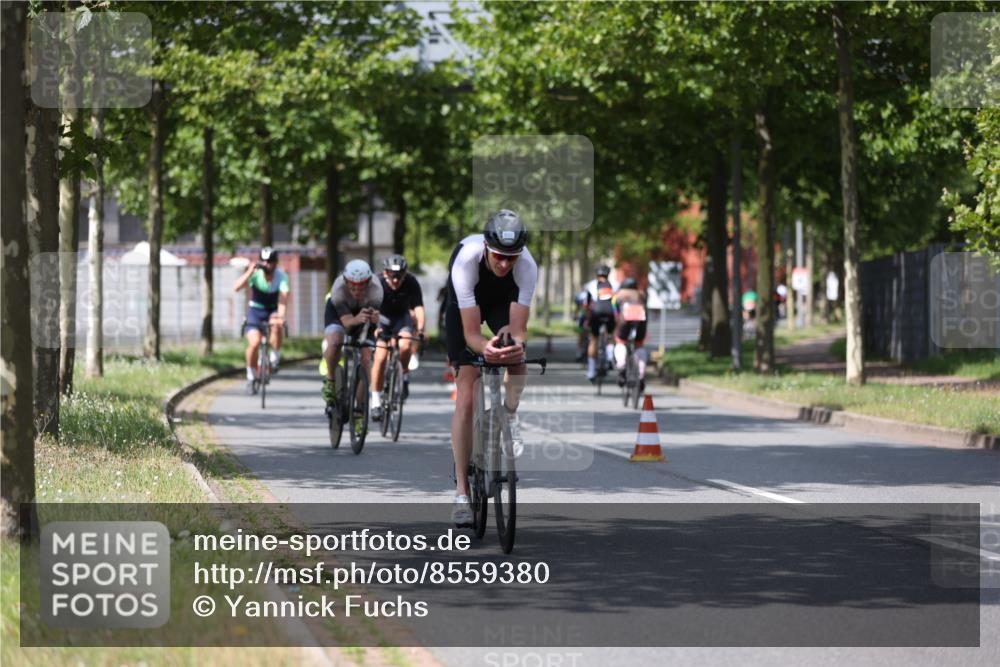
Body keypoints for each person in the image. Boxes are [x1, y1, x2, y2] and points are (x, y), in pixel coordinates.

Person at [445, 210, 537, 525]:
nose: (504, 264)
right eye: (499, 256)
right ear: (486, 247)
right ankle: (461, 491)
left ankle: (508, 416)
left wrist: (512, 347)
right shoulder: (465, 261)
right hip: (466, 304)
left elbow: (519, 329)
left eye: (511, 258)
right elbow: (471, 334)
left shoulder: (526, 267)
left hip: (503, 301)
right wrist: (485, 348)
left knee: (517, 355)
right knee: (467, 397)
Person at [321, 259, 383, 408]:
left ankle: (360, 408)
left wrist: (375, 319)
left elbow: (376, 319)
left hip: (364, 313)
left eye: (361, 288)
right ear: (346, 282)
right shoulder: (338, 289)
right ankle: (330, 381)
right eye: (352, 288)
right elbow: (347, 323)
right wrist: (357, 319)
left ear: (368, 283)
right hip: (339, 314)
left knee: (366, 358)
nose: (356, 292)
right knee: (335, 342)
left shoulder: (376, 291)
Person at [370, 254, 425, 421]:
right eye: (393, 276)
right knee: (380, 358)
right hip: (382, 319)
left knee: (406, 345)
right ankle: (376, 401)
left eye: (400, 276)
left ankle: (404, 375)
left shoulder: (411, 282)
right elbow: (369, 307)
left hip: (402, 318)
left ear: (405, 274)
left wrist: (421, 329)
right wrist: (374, 327)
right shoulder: (377, 283)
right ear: (385, 273)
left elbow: (418, 307)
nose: (396, 281)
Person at [233, 247, 289, 395]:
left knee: (277, 325)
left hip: (272, 310)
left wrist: (281, 317)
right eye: (264, 261)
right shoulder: (255, 275)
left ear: (276, 263)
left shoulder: (281, 276)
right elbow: (236, 287)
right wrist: (250, 271)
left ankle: (274, 358)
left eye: (270, 261)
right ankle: (251, 377)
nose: (267, 264)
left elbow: (283, 299)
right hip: (255, 311)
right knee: (254, 343)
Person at [612, 277, 649, 392]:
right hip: (641, 320)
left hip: (625, 319)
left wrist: (615, 325)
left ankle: (621, 364)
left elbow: (615, 312)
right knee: (639, 344)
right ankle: (641, 373)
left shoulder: (618, 295)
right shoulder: (642, 294)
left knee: (620, 341)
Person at [585, 265, 617, 382]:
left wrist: (587, 319)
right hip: (610, 312)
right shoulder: (614, 284)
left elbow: (587, 305)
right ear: (608, 274)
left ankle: (591, 371)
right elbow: (616, 303)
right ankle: (609, 357)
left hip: (596, 312)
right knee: (611, 335)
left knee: (594, 339)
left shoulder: (591, 285)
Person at [573, 288, 591, 363]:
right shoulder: (589, 296)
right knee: (582, 335)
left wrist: (575, 315)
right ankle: (579, 353)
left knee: (581, 336)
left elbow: (577, 308)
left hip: (583, 317)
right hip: (584, 317)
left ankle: (579, 353)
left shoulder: (579, 296)